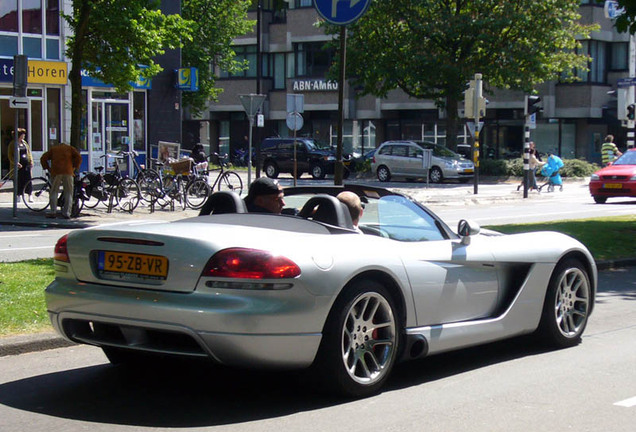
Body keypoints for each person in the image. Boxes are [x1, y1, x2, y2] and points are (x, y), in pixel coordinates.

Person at [40, 142, 82, 219]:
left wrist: (47, 168)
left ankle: (53, 211)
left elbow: (43, 158)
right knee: (69, 192)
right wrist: (75, 167)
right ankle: (67, 213)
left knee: (54, 191)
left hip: (56, 172)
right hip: (68, 172)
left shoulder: (54, 149)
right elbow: (78, 157)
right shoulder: (70, 149)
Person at [7, 128, 34, 202]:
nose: (24, 136)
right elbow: (10, 155)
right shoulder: (13, 144)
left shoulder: (25, 143)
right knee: (18, 180)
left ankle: (30, 195)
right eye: (23, 134)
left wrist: (31, 161)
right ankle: (18, 195)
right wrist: (16, 163)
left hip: (26, 165)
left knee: (28, 180)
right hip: (18, 166)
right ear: (19, 135)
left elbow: (29, 152)